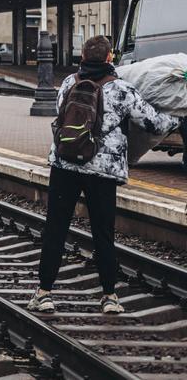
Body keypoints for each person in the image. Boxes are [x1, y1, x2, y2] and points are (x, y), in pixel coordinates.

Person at [27, 36, 186, 315]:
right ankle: (110, 297)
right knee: (103, 234)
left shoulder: (68, 83)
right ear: (110, 58)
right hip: (102, 170)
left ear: (83, 58)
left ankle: (44, 293)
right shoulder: (123, 89)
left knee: (55, 228)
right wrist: (178, 117)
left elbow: (60, 115)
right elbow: (151, 122)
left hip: (64, 166)